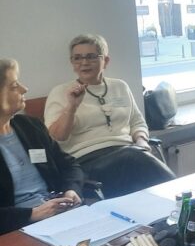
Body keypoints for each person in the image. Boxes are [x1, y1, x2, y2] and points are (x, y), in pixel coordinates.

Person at [44, 34, 175, 198]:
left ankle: (176, 203)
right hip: (86, 161)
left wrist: (141, 141)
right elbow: (56, 138)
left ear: (105, 60)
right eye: (77, 58)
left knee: (138, 172)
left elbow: (137, 122)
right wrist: (71, 107)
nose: (84, 63)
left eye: (91, 57)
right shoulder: (60, 92)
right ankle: (180, 197)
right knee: (135, 161)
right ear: (72, 63)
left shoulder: (120, 86)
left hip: (129, 153)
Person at [1, 59, 83, 234]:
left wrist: (71, 190)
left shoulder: (30, 126)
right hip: (17, 228)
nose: (25, 89)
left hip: (60, 213)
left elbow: (70, 165)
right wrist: (33, 214)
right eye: (14, 86)